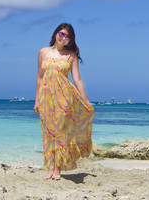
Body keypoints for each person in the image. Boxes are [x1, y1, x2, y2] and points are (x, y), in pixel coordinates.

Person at [33, 23, 94, 180]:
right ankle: (50, 167)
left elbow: (77, 79)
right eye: (61, 34)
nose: (63, 37)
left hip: (64, 98)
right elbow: (39, 77)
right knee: (48, 134)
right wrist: (37, 101)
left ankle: (57, 169)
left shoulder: (71, 56)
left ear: (70, 40)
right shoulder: (43, 52)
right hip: (46, 98)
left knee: (60, 132)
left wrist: (86, 101)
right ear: (55, 34)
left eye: (67, 36)